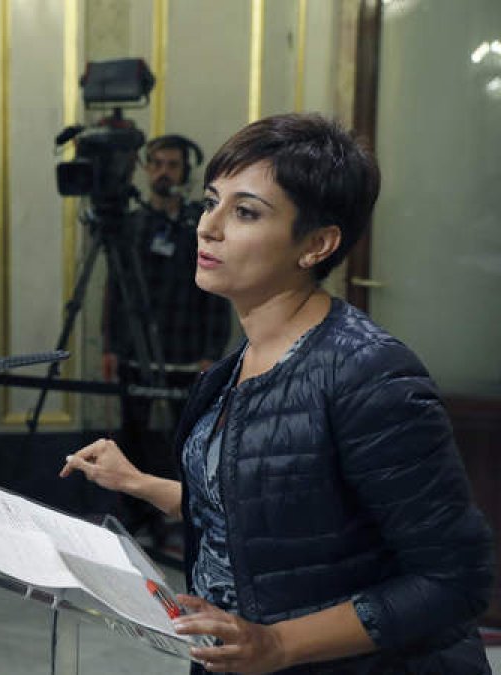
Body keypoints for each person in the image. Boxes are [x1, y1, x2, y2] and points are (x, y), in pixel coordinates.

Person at [62, 113, 493, 673]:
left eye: (244, 212)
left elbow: (455, 579)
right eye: (211, 201)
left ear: (316, 244)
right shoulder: (234, 364)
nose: (207, 226)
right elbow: (264, 509)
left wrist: (280, 643)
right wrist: (138, 483)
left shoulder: (370, 374)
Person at [101, 134, 231, 537]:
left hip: (188, 353)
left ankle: (187, 520)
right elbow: (115, 290)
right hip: (134, 354)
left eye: (172, 165)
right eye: (156, 164)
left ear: (185, 171)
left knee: (189, 440)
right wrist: (109, 346)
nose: (163, 173)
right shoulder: (133, 225)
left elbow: (218, 291)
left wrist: (212, 352)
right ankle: (136, 518)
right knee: (133, 436)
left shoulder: (201, 225)